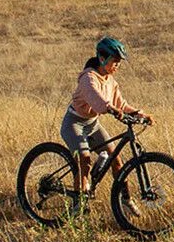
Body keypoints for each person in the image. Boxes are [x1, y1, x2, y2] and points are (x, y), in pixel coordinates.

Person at [62, 36, 153, 196]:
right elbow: (96, 99)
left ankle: (125, 200)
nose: (117, 65)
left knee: (115, 158)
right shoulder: (88, 78)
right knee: (84, 159)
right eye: (115, 61)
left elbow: (121, 104)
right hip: (74, 123)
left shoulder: (110, 81)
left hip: (92, 124)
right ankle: (79, 204)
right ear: (102, 58)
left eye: (119, 62)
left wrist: (140, 114)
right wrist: (110, 109)